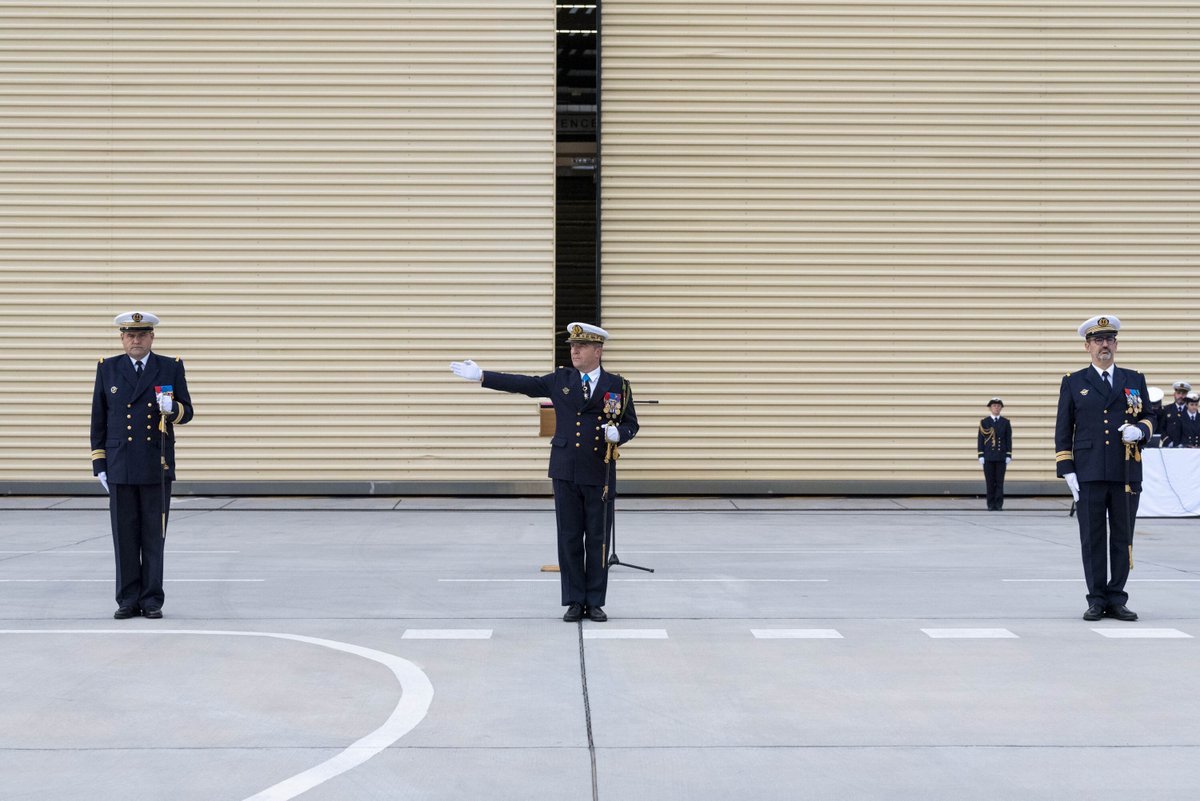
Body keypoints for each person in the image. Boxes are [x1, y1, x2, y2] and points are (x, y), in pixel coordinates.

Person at [450, 323, 639, 623]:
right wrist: (484, 376)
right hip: (565, 471)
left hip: (599, 473)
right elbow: (524, 384)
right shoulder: (561, 379)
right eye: (572, 345)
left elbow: (632, 424)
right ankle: (575, 600)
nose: (574, 350)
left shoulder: (618, 385)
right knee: (569, 538)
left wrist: (620, 434)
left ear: (598, 351)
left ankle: (596, 601)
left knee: (598, 540)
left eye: (582, 346)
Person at [91, 312, 194, 619]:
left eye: (142, 335)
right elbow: (99, 417)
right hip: (120, 462)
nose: (136, 340)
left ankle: (151, 600)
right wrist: (100, 463)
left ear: (152, 337)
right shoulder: (108, 368)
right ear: (122, 339)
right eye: (130, 335)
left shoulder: (169, 366)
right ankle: (126, 599)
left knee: (152, 535)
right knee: (124, 536)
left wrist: (172, 409)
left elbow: (187, 412)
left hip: (155, 462)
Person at [1055, 314, 1154, 623]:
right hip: (1089, 471)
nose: (1104, 345)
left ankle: (1117, 597)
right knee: (1093, 537)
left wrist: (1141, 431)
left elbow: (1150, 416)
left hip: (1126, 471)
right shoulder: (1074, 381)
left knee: (1123, 536)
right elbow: (1063, 427)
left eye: (1109, 340)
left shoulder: (1133, 378)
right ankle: (1096, 598)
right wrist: (1067, 468)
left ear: (1116, 344)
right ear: (1088, 347)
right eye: (1098, 340)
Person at [977, 397, 1012, 510]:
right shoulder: (984, 422)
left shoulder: (1005, 422)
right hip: (988, 456)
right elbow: (980, 440)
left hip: (1001, 456)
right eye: (994, 406)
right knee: (990, 482)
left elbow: (1008, 439)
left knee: (999, 482)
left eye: (998, 406)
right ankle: (990, 504)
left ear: (1001, 408)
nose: (996, 408)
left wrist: (1008, 454)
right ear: (990, 408)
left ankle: (999, 504)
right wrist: (981, 454)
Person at [1161, 380, 1192, 446]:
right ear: (1174, 394)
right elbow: (1161, 428)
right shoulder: (1167, 409)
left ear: (1187, 395)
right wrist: (1167, 441)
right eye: (1178, 393)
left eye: (1183, 393)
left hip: (1186, 447)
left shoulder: (1190, 410)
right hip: (1168, 446)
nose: (1181, 396)